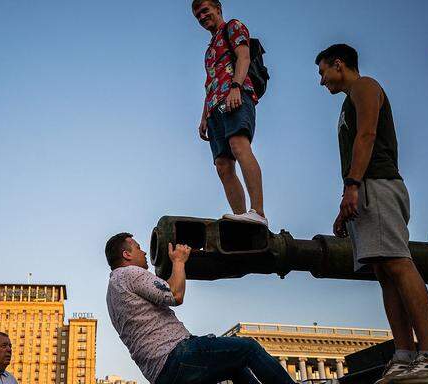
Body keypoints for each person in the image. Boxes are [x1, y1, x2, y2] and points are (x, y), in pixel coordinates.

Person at [315, 44, 428, 384]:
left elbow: (367, 135)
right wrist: (347, 198)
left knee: (397, 262)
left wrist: (352, 185)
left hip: (376, 183)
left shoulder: (365, 86)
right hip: (365, 188)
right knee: (382, 270)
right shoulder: (349, 100)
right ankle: (406, 355)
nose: (321, 81)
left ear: (339, 64)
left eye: (323, 72)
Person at [105, 232, 294, 384]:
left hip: (162, 374)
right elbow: (174, 294)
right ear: (126, 254)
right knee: (248, 348)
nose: (145, 252)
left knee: (235, 366)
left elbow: (166, 288)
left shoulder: (114, 289)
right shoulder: (131, 273)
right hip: (175, 356)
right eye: (138, 248)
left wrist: (175, 266)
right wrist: (179, 261)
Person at [192, 0, 267, 226]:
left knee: (239, 145)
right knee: (223, 164)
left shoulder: (233, 27)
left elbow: (243, 57)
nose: (203, 17)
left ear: (218, 8)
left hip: (235, 95)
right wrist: (204, 115)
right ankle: (241, 219)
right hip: (214, 106)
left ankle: (258, 212)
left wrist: (236, 87)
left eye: (205, 11)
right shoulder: (209, 50)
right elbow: (210, 82)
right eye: (198, 16)